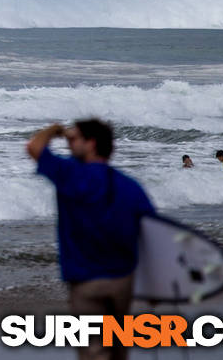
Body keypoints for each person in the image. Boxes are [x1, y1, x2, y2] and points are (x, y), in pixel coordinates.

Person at [28, 118, 155, 360]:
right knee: (118, 351)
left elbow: (34, 147)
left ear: (91, 143)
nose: (69, 144)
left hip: (86, 280)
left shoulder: (69, 174)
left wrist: (54, 130)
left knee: (93, 352)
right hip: (123, 280)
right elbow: (151, 237)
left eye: (74, 139)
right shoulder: (130, 186)